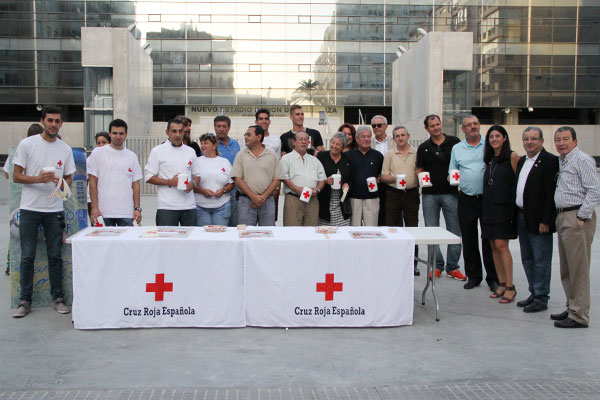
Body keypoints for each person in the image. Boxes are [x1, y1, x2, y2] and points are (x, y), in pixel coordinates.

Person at [12, 106, 75, 317]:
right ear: (43, 121)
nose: (54, 124)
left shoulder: (65, 149)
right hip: (30, 209)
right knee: (27, 256)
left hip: (54, 210)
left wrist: (60, 186)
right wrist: (38, 179)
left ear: (61, 123)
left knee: (55, 256)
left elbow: (68, 179)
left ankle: (58, 298)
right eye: (50, 120)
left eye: (57, 121)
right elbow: (16, 176)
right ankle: (25, 300)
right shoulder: (27, 144)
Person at [551, 126, 600, 328]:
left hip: (576, 217)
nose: (561, 143)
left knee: (578, 269)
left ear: (575, 141)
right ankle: (572, 307)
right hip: (563, 217)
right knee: (567, 267)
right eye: (558, 139)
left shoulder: (582, 159)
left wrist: (582, 216)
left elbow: (594, 190)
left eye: (565, 139)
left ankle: (580, 316)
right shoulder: (564, 161)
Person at [449, 115, 498, 290]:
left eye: (476, 124)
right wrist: (452, 177)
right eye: (469, 125)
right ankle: (473, 276)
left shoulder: (490, 144)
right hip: (466, 198)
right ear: (463, 129)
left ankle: (493, 278)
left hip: (487, 199)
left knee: (488, 238)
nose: (473, 127)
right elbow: (452, 169)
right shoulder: (457, 148)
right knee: (469, 239)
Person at [514, 126, 559, 313]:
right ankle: (534, 291)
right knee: (527, 258)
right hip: (522, 216)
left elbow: (550, 194)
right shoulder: (522, 161)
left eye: (533, 139)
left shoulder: (550, 162)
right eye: (526, 139)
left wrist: (546, 221)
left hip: (539, 219)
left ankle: (541, 297)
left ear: (541, 141)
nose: (529, 142)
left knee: (541, 260)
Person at [417, 115, 465, 281]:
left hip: (451, 192)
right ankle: (437, 265)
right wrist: (422, 177)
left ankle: (453, 266)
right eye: (432, 126)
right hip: (430, 195)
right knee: (432, 230)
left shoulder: (455, 142)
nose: (436, 128)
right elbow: (419, 168)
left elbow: (461, 163)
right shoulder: (423, 147)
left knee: (454, 229)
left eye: (437, 124)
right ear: (427, 129)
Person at [481, 125, 520, 303]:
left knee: (501, 245)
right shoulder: (489, 159)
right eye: (491, 137)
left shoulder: (512, 157)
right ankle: (501, 283)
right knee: (493, 246)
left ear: (504, 138)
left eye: (497, 136)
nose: (494, 139)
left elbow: (518, 183)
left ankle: (511, 287)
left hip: (504, 208)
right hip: (488, 206)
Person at [380, 126, 420, 276]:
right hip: (393, 194)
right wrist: (397, 177)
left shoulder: (417, 153)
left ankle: (413, 263)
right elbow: (383, 176)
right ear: (394, 139)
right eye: (397, 136)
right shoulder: (390, 154)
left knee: (412, 228)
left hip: (411, 194)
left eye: (403, 135)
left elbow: (421, 171)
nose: (400, 138)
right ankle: (393, 261)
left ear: (408, 136)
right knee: (392, 228)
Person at [4, 123, 43, 276]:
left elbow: (7, 173)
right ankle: (11, 263)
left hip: (34, 199)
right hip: (24, 199)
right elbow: (10, 173)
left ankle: (11, 264)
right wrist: (25, 180)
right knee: (18, 233)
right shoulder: (20, 150)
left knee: (23, 234)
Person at [145, 118, 200, 226]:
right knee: (166, 241)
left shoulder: (191, 151)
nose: (178, 135)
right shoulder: (157, 151)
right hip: (166, 206)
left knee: (190, 241)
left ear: (184, 132)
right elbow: (148, 176)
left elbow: (197, 175)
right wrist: (170, 182)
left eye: (180, 131)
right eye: (174, 131)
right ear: (167, 132)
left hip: (189, 206)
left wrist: (193, 183)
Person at [88, 119, 143, 227]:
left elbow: (135, 184)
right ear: (109, 134)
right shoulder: (98, 153)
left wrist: (137, 208)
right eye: (115, 133)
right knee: (104, 243)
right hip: (103, 212)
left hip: (126, 212)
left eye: (121, 133)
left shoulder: (131, 156)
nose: (118, 136)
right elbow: (92, 182)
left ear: (126, 134)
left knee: (126, 243)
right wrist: (94, 207)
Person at [231, 125, 283, 226]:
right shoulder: (240, 155)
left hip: (267, 201)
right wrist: (253, 196)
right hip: (246, 201)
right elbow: (237, 179)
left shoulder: (271, 154)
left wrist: (262, 197)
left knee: (268, 235)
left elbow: (277, 178)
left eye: (248, 135)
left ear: (258, 137)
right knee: (246, 235)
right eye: (245, 134)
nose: (245, 137)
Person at [281, 131, 326, 226]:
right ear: (294, 142)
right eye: (300, 139)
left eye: (306, 140)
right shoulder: (286, 159)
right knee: (292, 229)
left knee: (311, 231)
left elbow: (322, 179)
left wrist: (317, 189)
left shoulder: (315, 160)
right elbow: (284, 178)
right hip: (294, 199)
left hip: (312, 199)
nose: (303, 142)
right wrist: (296, 189)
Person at [345, 126, 383, 226]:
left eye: (368, 136)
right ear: (357, 139)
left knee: (371, 229)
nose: (366, 139)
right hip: (354, 197)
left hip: (372, 197)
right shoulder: (348, 155)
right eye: (363, 137)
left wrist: (379, 178)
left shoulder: (378, 156)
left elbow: (382, 174)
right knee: (354, 228)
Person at [193, 133, 234, 226]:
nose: (203, 146)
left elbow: (231, 183)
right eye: (202, 143)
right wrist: (202, 191)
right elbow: (192, 184)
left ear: (215, 145)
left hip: (222, 206)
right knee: (204, 237)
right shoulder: (196, 161)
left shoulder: (225, 162)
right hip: (200, 206)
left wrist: (223, 190)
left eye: (206, 143)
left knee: (219, 236)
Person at [317, 133, 353, 226]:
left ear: (343, 147)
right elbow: (315, 175)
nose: (334, 146)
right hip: (325, 201)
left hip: (341, 202)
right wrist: (325, 180)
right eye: (333, 142)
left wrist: (348, 184)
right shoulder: (321, 156)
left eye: (338, 144)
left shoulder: (348, 159)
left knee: (341, 232)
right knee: (325, 231)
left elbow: (352, 178)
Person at [255, 108, 282, 221]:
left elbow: (278, 165)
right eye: (261, 119)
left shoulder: (276, 140)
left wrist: (277, 188)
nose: (264, 121)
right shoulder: (247, 138)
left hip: (270, 187)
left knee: (269, 222)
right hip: (253, 187)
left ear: (269, 121)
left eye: (266, 119)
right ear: (256, 121)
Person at [214, 115, 241, 226]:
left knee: (235, 221)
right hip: (218, 188)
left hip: (234, 187)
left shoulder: (235, 144)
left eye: (224, 126)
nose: (221, 129)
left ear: (229, 128)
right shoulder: (211, 145)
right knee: (220, 222)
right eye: (218, 126)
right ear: (214, 128)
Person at [370, 115, 394, 226]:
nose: (376, 128)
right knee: (376, 215)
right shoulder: (368, 142)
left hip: (392, 183)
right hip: (374, 183)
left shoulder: (394, 142)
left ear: (386, 126)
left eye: (379, 125)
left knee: (392, 215)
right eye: (374, 125)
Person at [86, 132, 110, 218]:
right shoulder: (90, 159)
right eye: (98, 143)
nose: (101, 145)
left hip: (108, 199)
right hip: (92, 200)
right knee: (97, 227)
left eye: (104, 142)